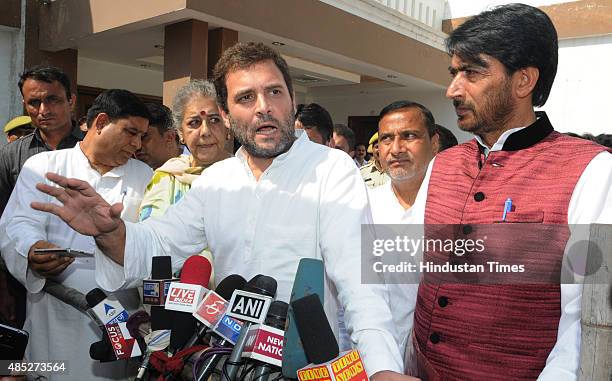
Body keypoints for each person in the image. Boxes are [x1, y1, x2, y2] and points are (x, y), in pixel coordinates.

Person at [30, 42, 408, 380]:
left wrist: (383, 369)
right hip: (224, 363)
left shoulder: (332, 169)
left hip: (307, 365)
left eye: (274, 92)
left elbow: (361, 285)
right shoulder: (217, 180)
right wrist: (109, 231)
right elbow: (158, 242)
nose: (263, 107)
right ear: (226, 114)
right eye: (245, 98)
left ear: (292, 100)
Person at [404, 4, 611, 380]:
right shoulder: (444, 163)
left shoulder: (592, 170)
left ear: (523, 80)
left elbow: (582, 320)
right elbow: (410, 276)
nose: (453, 89)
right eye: (454, 73)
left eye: (471, 72)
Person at [0, 89, 152, 380]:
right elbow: (17, 224)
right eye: (131, 132)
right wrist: (33, 250)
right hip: (54, 317)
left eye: (142, 136)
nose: (137, 144)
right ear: (101, 122)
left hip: (120, 319)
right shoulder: (44, 167)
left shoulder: (145, 176)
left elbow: (150, 241)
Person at [0, 65, 82, 329]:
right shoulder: (12, 155)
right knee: (24, 360)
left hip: (81, 277)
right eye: (34, 102)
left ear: (71, 100)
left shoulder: (90, 151)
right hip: (22, 277)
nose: (43, 110)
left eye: (52, 99)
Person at [138, 80, 231, 221]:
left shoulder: (246, 176)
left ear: (227, 126)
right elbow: (151, 236)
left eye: (214, 120)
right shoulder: (166, 178)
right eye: (194, 122)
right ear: (180, 133)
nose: (205, 132)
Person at [135, 103, 182, 169]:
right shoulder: (131, 172)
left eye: (143, 137)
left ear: (169, 137)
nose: (137, 145)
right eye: (132, 136)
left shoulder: (198, 165)